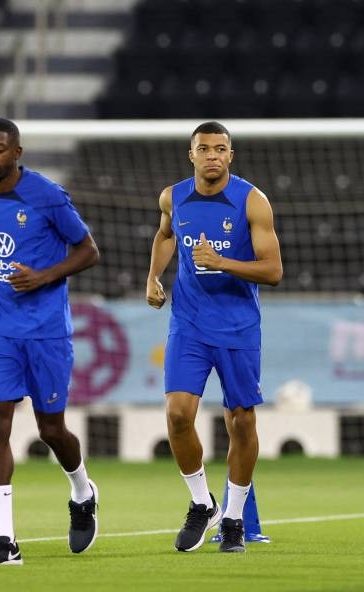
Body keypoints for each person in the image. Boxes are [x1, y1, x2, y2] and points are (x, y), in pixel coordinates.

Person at [0, 118, 100, 564]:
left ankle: (82, 490)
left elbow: (88, 250)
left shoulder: (46, 195)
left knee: (50, 429)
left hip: (46, 331)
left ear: (17, 153)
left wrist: (43, 276)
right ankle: (6, 540)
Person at [146, 120, 283, 553]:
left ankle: (236, 519)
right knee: (178, 415)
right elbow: (165, 235)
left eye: (220, 149)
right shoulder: (173, 196)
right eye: (203, 149)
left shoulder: (252, 201)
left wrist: (224, 263)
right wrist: (153, 277)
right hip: (189, 323)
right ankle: (202, 502)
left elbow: (273, 271)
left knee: (241, 421)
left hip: (239, 327)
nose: (212, 156)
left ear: (230, 155)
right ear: (192, 155)